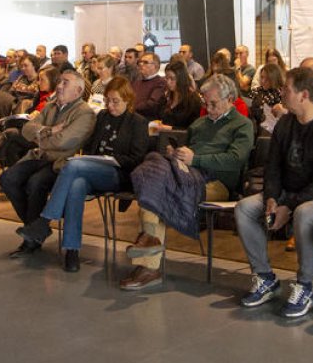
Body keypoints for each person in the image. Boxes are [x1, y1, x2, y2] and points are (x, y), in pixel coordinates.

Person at [234, 67, 313, 318]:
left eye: (286, 89)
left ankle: (306, 285)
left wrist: (290, 205)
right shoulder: (286, 123)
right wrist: (273, 199)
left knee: (305, 213)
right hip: (289, 192)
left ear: (303, 95)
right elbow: (273, 168)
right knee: (244, 208)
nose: (281, 93)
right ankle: (265, 277)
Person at [119, 74, 254, 291]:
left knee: (158, 189)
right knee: (154, 160)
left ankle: (149, 260)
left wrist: (195, 159)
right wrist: (177, 155)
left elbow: (236, 160)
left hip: (217, 182)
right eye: (205, 102)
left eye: (213, 103)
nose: (208, 108)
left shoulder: (242, 125)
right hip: (187, 173)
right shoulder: (199, 124)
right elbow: (188, 152)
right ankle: (149, 250)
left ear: (230, 99)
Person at [18, 77, 149, 272]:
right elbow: (89, 145)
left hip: (119, 174)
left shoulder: (138, 122)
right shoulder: (103, 117)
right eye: (108, 101)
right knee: (76, 185)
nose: (110, 106)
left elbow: (137, 158)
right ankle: (72, 251)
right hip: (93, 168)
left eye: (115, 101)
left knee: (73, 166)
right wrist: (95, 158)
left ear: (128, 100)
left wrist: (112, 159)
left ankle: (45, 221)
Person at [2, 69, 96, 258]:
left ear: (77, 91)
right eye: (60, 82)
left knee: (36, 183)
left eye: (65, 83)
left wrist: (42, 137)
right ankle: (34, 228)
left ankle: (31, 239)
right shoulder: (51, 106)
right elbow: (27, 129)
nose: (59, 86)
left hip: (61, 163)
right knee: (8, 178)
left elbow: (65, 142)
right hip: (39, 157)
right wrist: (50, 130)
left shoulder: (85, 113)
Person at [158, 59, 202, 130]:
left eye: (172, 79)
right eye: (166, 78)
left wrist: (170, 128)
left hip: (181, 138)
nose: (168, 82)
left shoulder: (192, 101)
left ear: (181, 79)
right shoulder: (165, 97)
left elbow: (192, 129)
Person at [248, 63, 284, 135]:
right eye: (261, 77)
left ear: (274, 78)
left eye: (267, 79)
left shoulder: (282, 93)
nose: (263, 81)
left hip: (277, 129)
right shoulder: (256, 92)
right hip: (256, 128)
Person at [132, 51, 167, 120]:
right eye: (140, 62)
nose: (141, 64)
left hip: (148, 120)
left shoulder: (160, 82)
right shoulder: (136, 82)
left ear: (155, 66)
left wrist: (132, 107)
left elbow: (152, 104)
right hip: (133, 117)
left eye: (145, 62)